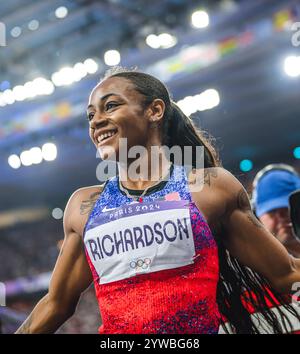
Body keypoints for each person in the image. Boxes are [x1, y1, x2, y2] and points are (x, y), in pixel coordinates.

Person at [16, 68, 300, 334]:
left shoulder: (210, 188)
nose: (96, 121)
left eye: (110, 106)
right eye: (90, 115)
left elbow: (285, 274)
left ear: (154, 110)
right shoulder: (83, 207)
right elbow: (56, 304)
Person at [252, 164, 300, 257]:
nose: (283, 216)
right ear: (257, 217)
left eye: (289, 207)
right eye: (272, 211)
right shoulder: (255, 266)